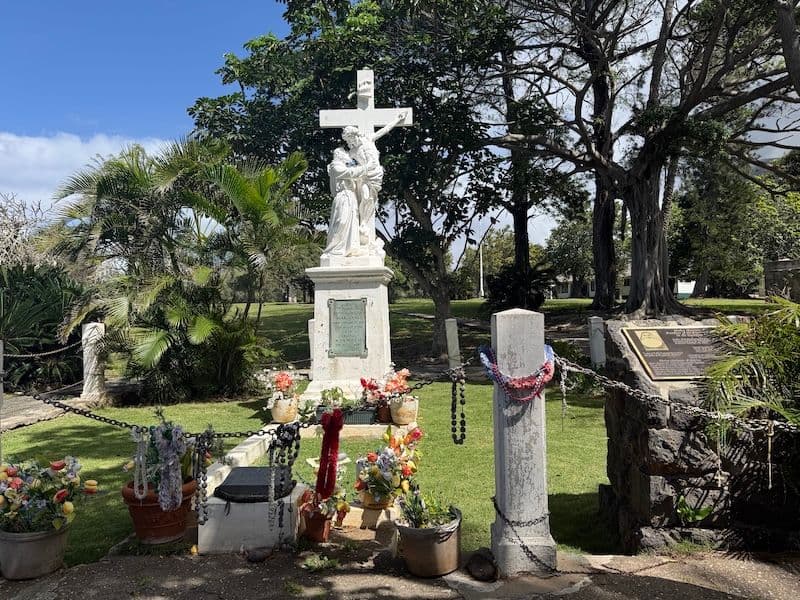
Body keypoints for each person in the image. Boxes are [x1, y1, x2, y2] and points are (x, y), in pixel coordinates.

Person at [342, 111, 406, 252]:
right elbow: (346, 162)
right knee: (364, 197)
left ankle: (364, 222)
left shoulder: (368, 139)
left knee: (370, 199)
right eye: (347, 141)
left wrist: (396, 120)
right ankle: (362, 223)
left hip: (376, 175)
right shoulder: (352, 152)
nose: (349, 142)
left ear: (354, 135)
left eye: (349, 139)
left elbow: (385, 130)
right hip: (364, 175)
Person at [321, 147, 366, 258]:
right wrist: (366, 167)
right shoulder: (335, 165)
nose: (348, 156)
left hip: (350, 197)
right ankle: (334, 249)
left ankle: (350, 248)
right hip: (343, 196)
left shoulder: (342, 166)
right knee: (341, 221)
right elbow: (349, 172)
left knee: (352, 222)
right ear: (339, 155)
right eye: (345, 154)